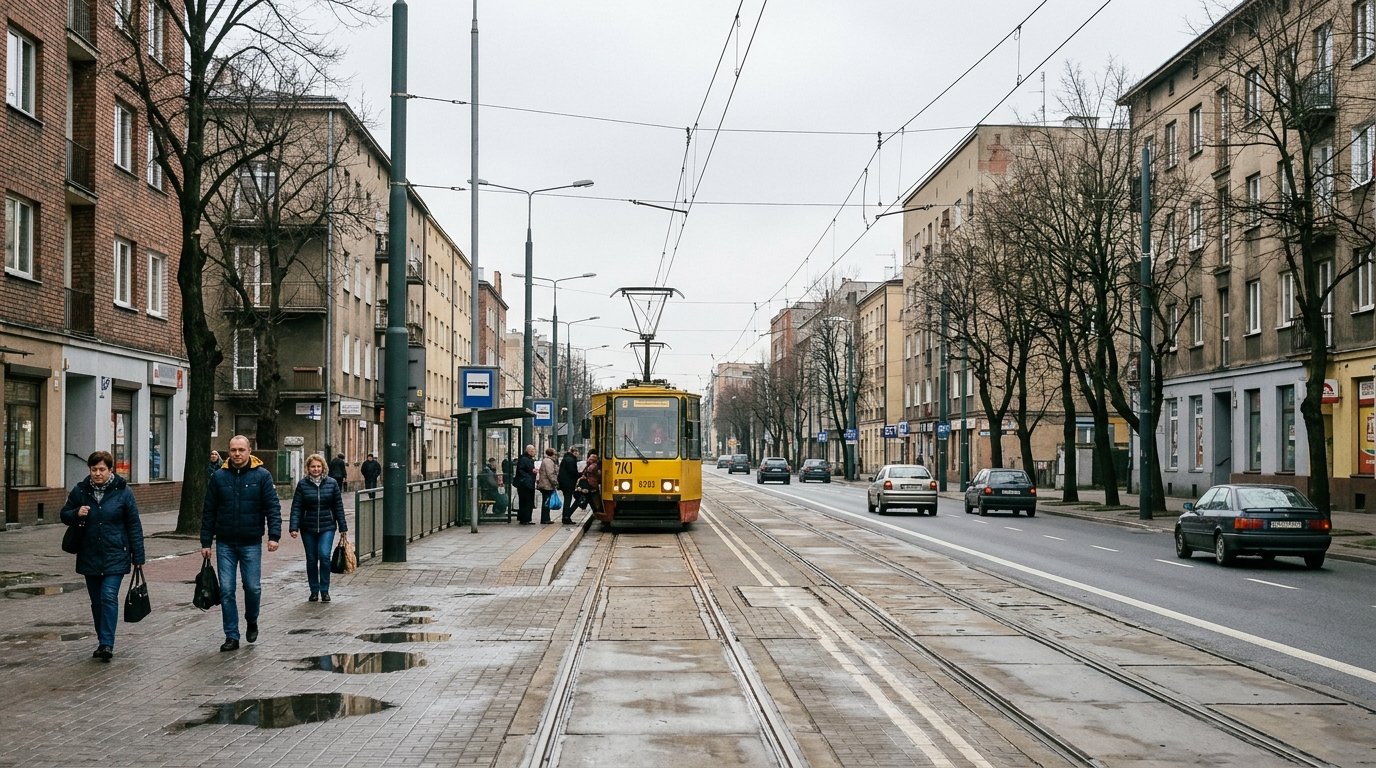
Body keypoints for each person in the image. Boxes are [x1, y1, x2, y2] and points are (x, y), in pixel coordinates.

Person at [60, 450, 144, 662]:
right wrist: (76, 512)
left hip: (116, 553)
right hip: (89, 554)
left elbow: (134, 524)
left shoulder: (123, 491)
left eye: (102, 469)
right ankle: (102, 640)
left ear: (110, 470)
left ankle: (107, 643)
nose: (97, 473)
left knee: (108, 596)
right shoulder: (81, 490)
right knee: (97, 602)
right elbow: (64, 514)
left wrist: (138, 557)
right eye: (94, 469)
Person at [201, 435, 281, 652]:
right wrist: (206, 542)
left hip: (251, 542)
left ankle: (252, 619)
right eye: (233, 450)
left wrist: (274, 536)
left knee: (252, 587)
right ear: (228, 452)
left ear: (249, 451)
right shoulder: (219, 477)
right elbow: (209, 511)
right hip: (225, 542)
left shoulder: (262, 476)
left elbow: (272, 508)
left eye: (241, 450)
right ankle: (231, 635)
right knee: (227, 589)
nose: (237, 454)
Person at [289, 453, 347, 603]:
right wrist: (293, 527)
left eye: (318, 466)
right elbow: (297, 507)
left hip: (327, 526)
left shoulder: (332, 483)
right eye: (313, 466)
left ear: (323, 468)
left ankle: (325, 590)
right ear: (308, 468)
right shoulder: (302, 485)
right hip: (308, 527)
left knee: (324, 556)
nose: (316, 469)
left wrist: (342, 526)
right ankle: (314, 590)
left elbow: (338, 506)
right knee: (311, 559)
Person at [568, 449, 600, 522]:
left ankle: (596, 512)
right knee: (581, 500)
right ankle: (568, 514)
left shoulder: (588, 465)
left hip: (587, 485)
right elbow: (596, 474)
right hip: (590, 485)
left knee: (589, 499)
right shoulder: (594, 466)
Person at [514, 445, 537, 525]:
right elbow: (522, 471)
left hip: (527, 483)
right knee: (526, 501)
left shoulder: (527, 459)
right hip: (525, 484)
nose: (535, 452)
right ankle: (525, 518)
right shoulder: (524, 459)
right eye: (533, 450)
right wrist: (531, 472)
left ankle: (525, 518)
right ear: (529, 451)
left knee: (526, 501)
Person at [536, 447, 559, 524]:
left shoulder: (546, 460)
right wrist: (555, 482)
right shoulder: (549, 461)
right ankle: (545, 519)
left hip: (545, 484)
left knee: (546, 501)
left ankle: (545, 518)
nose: (556, 455)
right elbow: (550, 474)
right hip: (547, 485)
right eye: (555, 454)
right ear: (552, 454)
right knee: (546, 502)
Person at [558, 446, 580, 521]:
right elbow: (572, 472)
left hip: (565, 483)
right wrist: (580, 474)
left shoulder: (566, 458)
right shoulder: (571, 460)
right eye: (577, 452)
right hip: (568, 483)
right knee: (568, 500)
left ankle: (566, 516)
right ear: (574, 452)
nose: (578, 454)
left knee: (567, 499)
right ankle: (566, 517)